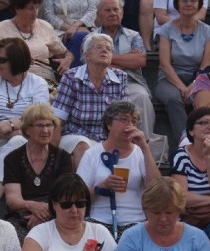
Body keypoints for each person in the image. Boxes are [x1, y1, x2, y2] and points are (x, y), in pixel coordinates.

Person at [77, 100, 162, 240]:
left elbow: (157, 191)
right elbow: (77, 196)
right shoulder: (92, 154)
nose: (129, 125)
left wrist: (145, 148)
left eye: (134, 121)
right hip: (98, 222)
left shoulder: (140, 153)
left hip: (135, 222)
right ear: (109, 124)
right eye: (123, 119)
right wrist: (101, 187)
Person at [52, 33, 127, 168]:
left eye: (108, 49)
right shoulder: (71, 77)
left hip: (107, 138)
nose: (105, 50)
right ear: (86, 55)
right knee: (84, 147)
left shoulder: (120, 78)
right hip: (75, 136)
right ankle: (84, 188)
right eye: (98, 47)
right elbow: (57, 119)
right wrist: (51, 157)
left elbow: (125, 117)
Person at [0, 37, 49, 179]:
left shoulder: (38, 83)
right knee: (13, 155)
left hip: (30, 138)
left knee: (17, 145)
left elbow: (38, 118)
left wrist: (11, 125)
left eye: (1, 60)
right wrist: (0, 130)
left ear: (16, 61)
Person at [2, 104, 73, 243]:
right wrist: (32, 207)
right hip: (23, 217)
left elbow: (66, 195)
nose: (46, 130)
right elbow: (12, 200)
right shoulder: (13, 159)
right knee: (18, 238)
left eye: (50, 125)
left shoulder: (63, 157)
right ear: (27, 129)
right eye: (40, 126)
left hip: (56, 214)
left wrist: (45, 211)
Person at [154, 0, 210, 151]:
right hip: (169, 78)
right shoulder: (166, 29)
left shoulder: (207, 31)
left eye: (193, 1)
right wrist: (183, 88)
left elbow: (206, 65)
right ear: (177, 4)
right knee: (174, 99)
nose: (188, 4)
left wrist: (194, 85)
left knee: (203, 99)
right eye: (184, 0)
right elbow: (165, 64)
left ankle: (205, 142)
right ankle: (185, 144)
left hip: (197, 77)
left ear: (199, 5)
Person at [92, 0, 156, 140]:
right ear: (98, 15)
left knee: (142, 96)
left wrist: (106, 58)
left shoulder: (134, 35)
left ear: (122, 13)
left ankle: (143, 142)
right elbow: (91, 63)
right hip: (100, 82)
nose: (113, 13)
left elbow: (140, 60)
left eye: (116, 10)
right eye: (107, 10)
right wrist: (127, 59)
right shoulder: (91, 38)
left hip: (130, 81)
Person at [170, 107, 210, 232]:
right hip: (188, 219)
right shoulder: (180, 155)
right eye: (204, 122)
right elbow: (181, 197)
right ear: (191, 131)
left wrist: (209, 157)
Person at [0, 0, 73, 84]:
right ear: (17, 8)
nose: (35, 12)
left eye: (37, 7)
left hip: (45, 82)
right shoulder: (0, 29)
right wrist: (17, 63)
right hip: (13, 82)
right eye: (30, 8)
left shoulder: (45, 27)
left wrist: (68, 59)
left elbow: (65, 53)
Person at [41, 0, 96, 67]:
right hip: (61, 29)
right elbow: (49, 15)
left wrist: (75, 26)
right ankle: (75, 72)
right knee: (79, 37)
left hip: (85, 26)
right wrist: (70, 28)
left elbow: (92, 10)